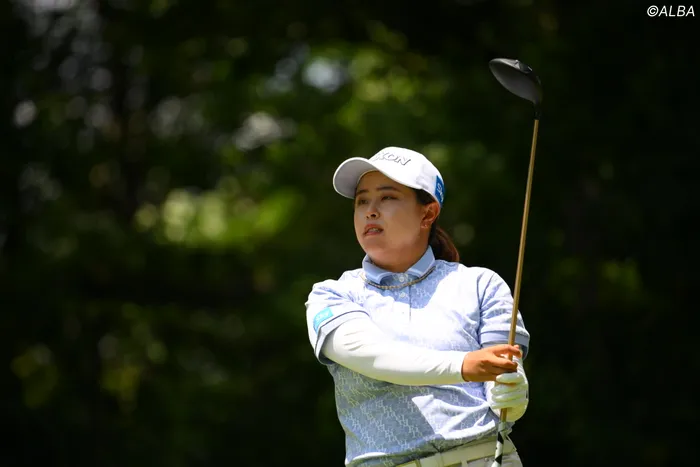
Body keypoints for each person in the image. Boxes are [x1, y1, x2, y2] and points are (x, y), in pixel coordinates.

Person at [305, 146, 531, 467]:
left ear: (427, 214)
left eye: (387, 197)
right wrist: (464, 365)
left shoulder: (481, 284)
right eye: (362, 201)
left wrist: (510, 392)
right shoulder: (331, 295)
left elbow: (503, 378)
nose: (371, 211)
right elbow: (375, 356)